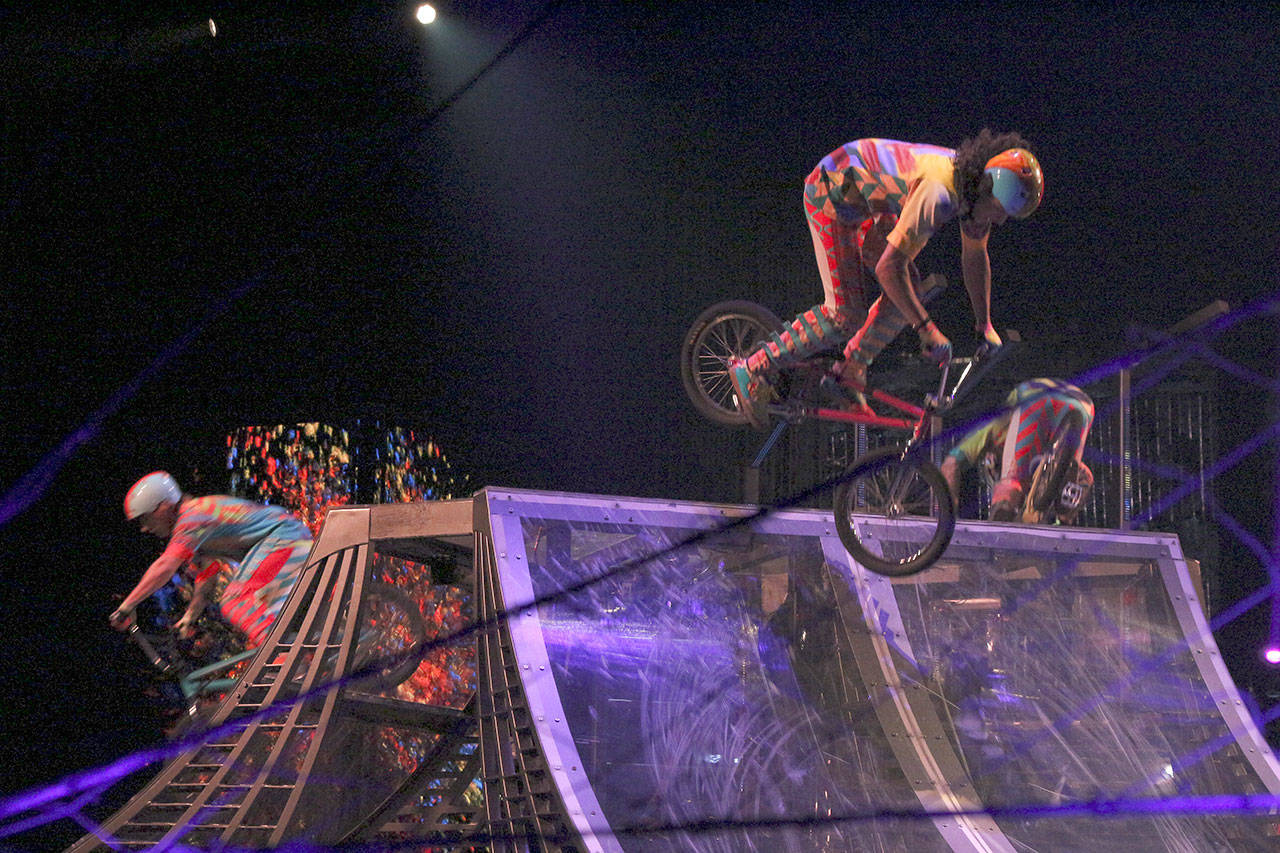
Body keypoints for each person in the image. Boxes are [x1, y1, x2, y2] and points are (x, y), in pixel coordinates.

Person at [731, 130, 1044, 428]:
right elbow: (888, 269)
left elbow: (975, 256)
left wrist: (984, 324)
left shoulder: (972, 192)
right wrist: (927, 330)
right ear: (986, 189)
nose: (1001, 220)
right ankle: (752, 367)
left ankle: (850, 370)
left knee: (908, 295)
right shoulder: (938, 194)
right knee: (846, 314)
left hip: (869, 198)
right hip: (833, 191)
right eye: (1000, 210)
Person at [110, 471, 313, 648]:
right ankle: (302, 647)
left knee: (236, 600)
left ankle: (284, 654)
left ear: (163, 506)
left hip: (285, 538)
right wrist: (190, 617)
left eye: (145, 518)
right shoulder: (198, 528)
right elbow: (207, 577)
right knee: (265, 608)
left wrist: (126, 607)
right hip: (287, 539)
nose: (145, 528)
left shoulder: (192, 516)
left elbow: (165, 566)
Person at [940, 378, 1095, 523]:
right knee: (1070, 482)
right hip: (1083, 405)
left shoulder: (989, 429)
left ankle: (997, 534)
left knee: (1011, 483)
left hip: (1035, 399)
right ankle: (1065, 516)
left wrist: (947, 521)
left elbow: (951, 464)